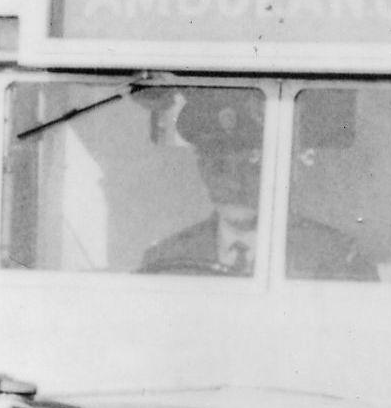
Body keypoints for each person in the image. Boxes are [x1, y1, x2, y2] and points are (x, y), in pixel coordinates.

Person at [139, 91, 373, 280]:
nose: (234, 182)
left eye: (253, 163)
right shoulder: (164, 262)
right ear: (202, 167)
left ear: (287, 167)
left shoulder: (338, 258)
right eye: (218, 164)